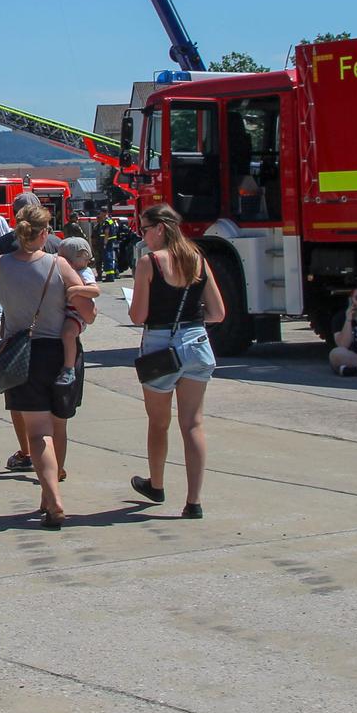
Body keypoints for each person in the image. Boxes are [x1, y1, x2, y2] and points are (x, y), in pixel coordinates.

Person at [0, 205, 93, 528]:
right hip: (60, 352)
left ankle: (51, 498)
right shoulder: (58, 264)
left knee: (38, 433)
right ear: (46, 234)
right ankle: (51, 491)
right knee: (59, 427)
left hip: (22, 353)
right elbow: (87, 310)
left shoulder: (0, 264)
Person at [127, 203, 225, 519]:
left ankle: (156, 484)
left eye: (144, 228)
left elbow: (138, 315)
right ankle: (193, 501)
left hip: (159, 345)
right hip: (197, 343)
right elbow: (218, 313)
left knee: (159, 422)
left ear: (159, 228)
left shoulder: (149, 263)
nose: (142, 234)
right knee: (193, 422)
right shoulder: (197, 259)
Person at [0, 193, 63, 474]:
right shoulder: (56, 244)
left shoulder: (3, 247)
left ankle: (28, 451)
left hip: (15, 337)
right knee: (53, 403)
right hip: (55, 336)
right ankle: (55, 461)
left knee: (18, 397)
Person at [55, 235, 98, 386]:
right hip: (66, 311)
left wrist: (78, 289)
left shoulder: (84, 272)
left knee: (68, 334)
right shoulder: (65, 269)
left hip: (76, 314)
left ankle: (69, 369)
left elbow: (95, 291)